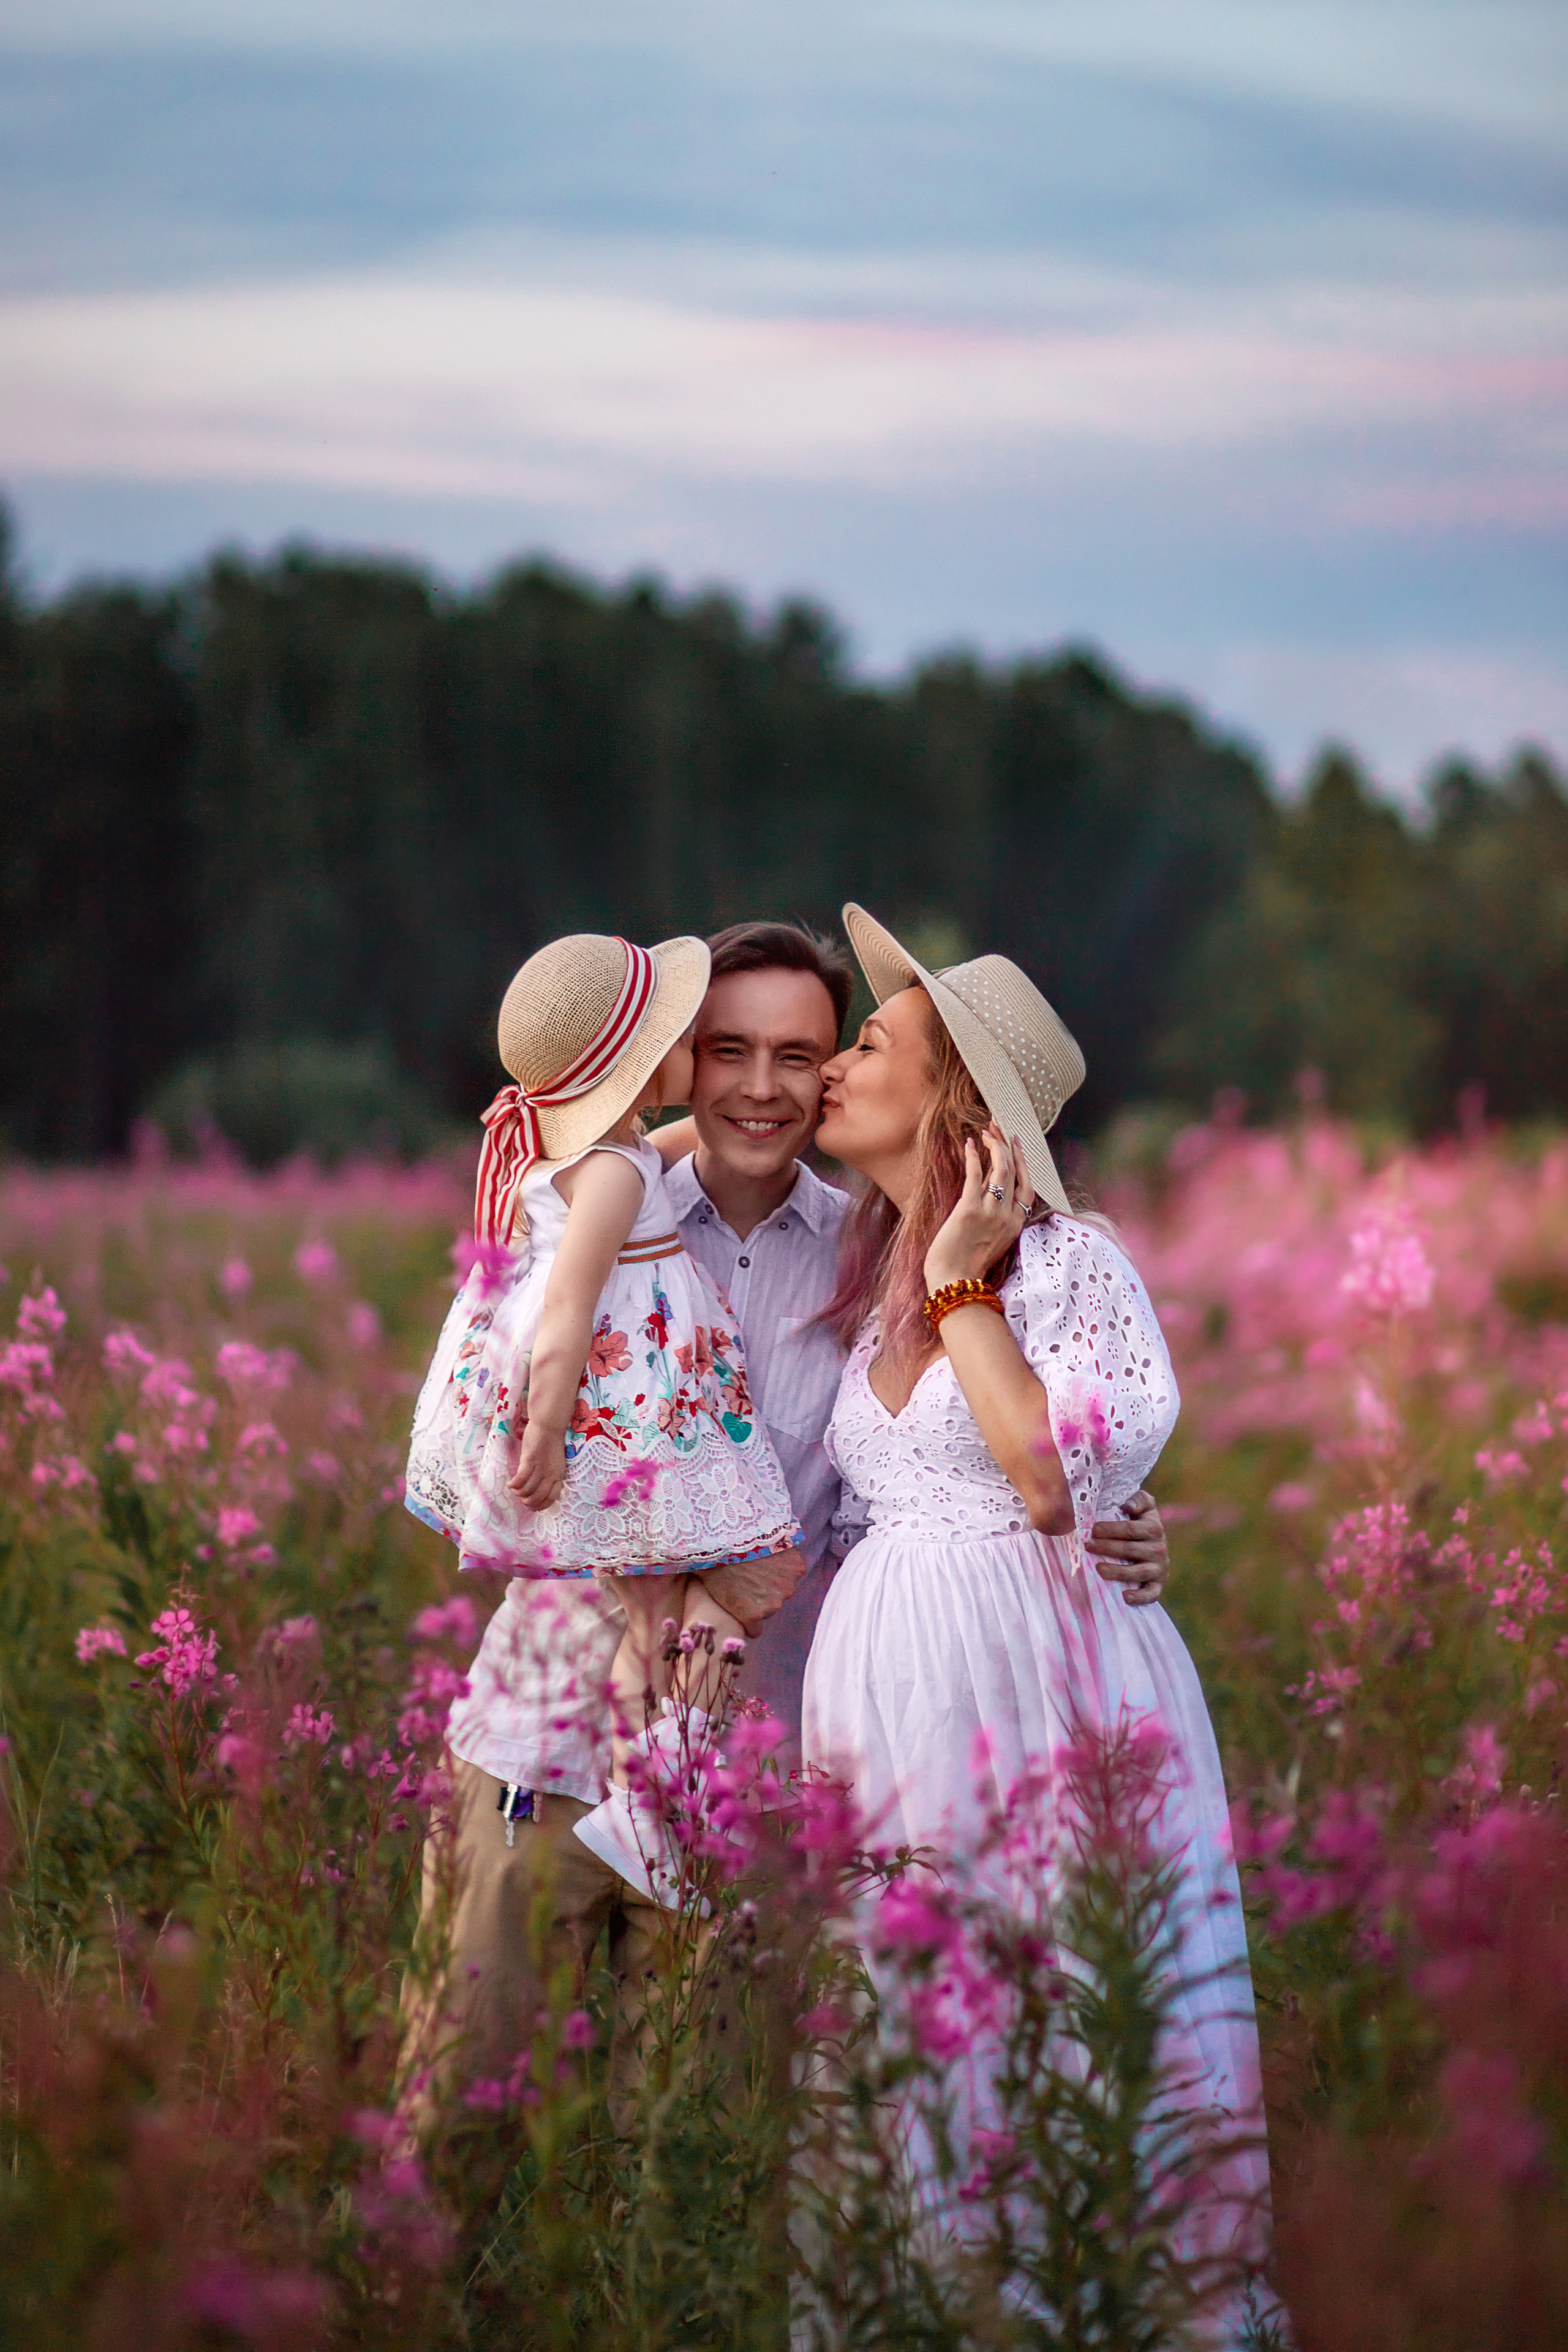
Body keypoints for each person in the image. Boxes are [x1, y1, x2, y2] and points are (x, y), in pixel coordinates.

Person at [408, 919, 1174, 2105]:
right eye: (728, 1051)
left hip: (745, 1782)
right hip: (544, 1743)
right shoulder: (590, 1209)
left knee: (692, 2157)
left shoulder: (877, 1264)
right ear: (677, 1060)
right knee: (460, 2111)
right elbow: (505, 1440)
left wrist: (1114, 1511)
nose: (762, 1087)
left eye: (803, 1055)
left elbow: (937, 1472)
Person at [802, 904, 1268, 2294]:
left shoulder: (1064, 1265)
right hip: (891, 1710)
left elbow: (1055, 1482)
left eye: (867, 1043)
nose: (833, 1063)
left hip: (1031, 1697)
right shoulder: (867, 1272)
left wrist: (963, 1287)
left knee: (1051, 2012)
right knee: (906, 2033)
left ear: (951, 1091)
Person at [405, 929, 804, 1903]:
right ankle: (646, 1796)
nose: (703, 1055)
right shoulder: (620, 1171)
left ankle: (642, 1788)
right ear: (643, 1064)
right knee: (652, 1619)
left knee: (648, 1616)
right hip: (620, 1416)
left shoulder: (592, 1151)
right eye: (697, 1042)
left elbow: (660, 1154)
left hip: (614, 1412)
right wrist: (545, 1431)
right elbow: (572, 1306)